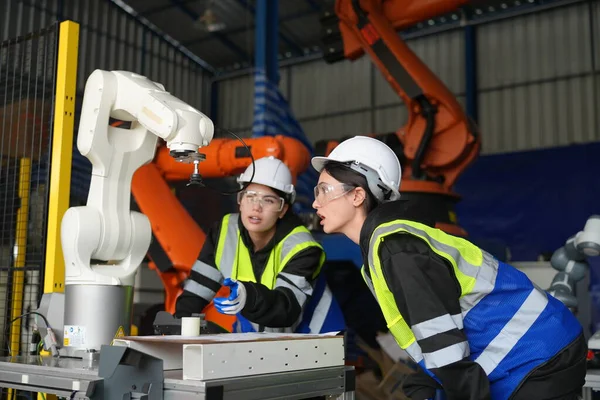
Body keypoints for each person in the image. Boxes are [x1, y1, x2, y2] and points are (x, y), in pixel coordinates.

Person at [310, 135, 587, 400]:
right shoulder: (387, 247)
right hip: (534, 351)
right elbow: (435, 325)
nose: (315, 202)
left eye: (324, 190)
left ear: (358, 195)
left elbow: (445, 343)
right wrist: (426, 376)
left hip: (539, 355)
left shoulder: (396, 249)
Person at [175, 156, 344, 334]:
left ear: (283, 209)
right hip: (256, 335)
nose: (256, 207)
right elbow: (198, 288)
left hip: (313, 336)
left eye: (268, 200)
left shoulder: (303, 247)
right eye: (250, 196)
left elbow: (285, 308)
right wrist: (180, 324)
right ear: (240, 200)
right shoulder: (224, 232)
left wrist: (247, 296)